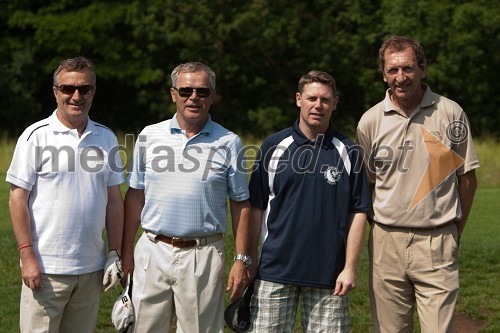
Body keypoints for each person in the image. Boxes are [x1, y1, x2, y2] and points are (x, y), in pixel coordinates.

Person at [356, 35, 480, 333]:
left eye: (408, 68)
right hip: (387, 242)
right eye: (393, 70)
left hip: (438, 242)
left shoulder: (451, 113)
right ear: (384, 73)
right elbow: (367, 187)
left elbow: (468, 179)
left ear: (423, 69)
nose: (401, 77)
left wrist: (452, 233)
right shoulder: (370, 121)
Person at [122, 61, 251, 332]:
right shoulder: (149, 135)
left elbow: (240, 203)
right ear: (173, 94)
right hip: (152, 250)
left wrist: (242, 260)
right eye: (186, 91)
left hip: (202, 254)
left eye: (203, 92)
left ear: (213, 96)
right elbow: (135, 196)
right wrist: (125, 252)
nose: (194, 97)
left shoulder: (229, 142)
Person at [244, 70, 371, 332]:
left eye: (325, 100)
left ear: (335, 103)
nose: (318, 105)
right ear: (299, 99)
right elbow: (256, 207)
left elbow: (358, 213)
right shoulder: (273, 145)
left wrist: (350, 268)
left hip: (330, 276)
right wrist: (250, 258)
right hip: (274, 272)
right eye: (312, 98)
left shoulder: (349, 151)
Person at [6, 56, 124, 333]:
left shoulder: (107, 138)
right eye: (68, 88)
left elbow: (115, 202)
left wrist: (114, 253)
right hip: (45, 270)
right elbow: (17, 199)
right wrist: (27, 257)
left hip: (91, 270)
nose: (76, 96)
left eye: (84, 88)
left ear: (93, 92)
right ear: (56, 91)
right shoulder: (34, 136)